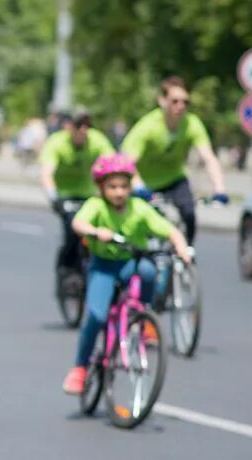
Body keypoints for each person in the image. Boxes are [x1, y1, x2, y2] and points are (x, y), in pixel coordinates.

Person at [61, 153, 192, 395]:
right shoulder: (96, 206)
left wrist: (182, 248)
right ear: (101, 187)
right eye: (112, 187)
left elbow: (169, 230)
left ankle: (143, 317)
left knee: (149, 272)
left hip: (130, 262)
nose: (119, 192)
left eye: (124, 186)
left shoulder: (139, 208)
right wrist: (95, 231)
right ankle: (79, 368)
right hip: (104, 265)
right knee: (96, 316)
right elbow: (78, 223)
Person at [121, 76, 229, 243]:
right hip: (145, 184)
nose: (181, 106)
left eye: (185, 102)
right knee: (146, 225)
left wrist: (219, 189)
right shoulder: (148, 126)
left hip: (174, 179)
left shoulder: (192, 123)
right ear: (162, 101)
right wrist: (138, 185)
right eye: (175, 101)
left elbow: (208, 158)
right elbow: (127, 162)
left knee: (189, 214)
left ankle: (186, 254)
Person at [38, 108, 116, 282]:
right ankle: (66, 268)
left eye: (87, 125)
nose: (84, 130)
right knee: (72, 230)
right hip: (65, 195)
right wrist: (53, 197)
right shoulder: (57, 142)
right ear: (69, 126)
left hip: (88, 194)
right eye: (79, 125)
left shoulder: (96, 140)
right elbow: (46, 174)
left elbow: (113, 164)